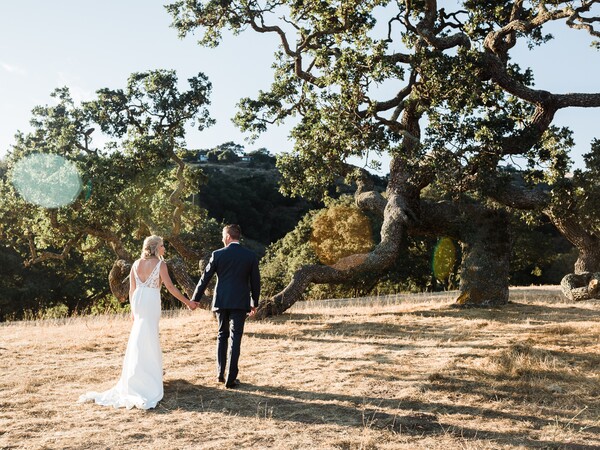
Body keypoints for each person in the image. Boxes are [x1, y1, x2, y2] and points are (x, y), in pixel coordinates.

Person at [78, 235, 197, 409]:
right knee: (149, 337)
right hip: (150, 302)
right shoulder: (160, 264)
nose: (164, 248)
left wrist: (133, 310)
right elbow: (171, 287)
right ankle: (147, 378)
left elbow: (132, 290)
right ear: (155, 248)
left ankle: (140, 374)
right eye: (162, 246)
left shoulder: (135, 264)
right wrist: (188, 302)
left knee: (140, 337)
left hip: (139, 302)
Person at [191, 224, 260, 389]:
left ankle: (220, 374)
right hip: (240, 302)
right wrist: (254, 303)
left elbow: (204, 278)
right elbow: (256, 282)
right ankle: (231, 378)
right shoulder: (250, 256)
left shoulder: (217, 254)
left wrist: (195, 299)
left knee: (222, 335)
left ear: (228, 237)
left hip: (221, 301)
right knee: (236, 338)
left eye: (223, 236)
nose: (222, 239)